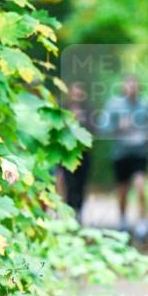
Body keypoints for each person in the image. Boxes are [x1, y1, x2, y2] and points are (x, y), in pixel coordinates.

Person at [100, 74, 148, 243]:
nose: (131, 88)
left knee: (140, 188)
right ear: (123, 87)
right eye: (128, 85)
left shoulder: (146, 104)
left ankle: (142, 224)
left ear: (139, 87)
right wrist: (117, 125)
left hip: (140, 153)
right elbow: (103, 126)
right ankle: (123, 221)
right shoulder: (114, 104)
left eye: (134, 85)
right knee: (123, 191)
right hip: (121, 154)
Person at [56, 81, 92, 223]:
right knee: (69, 183)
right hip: (67, 154)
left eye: (80, 93)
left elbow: (93, 131)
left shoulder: (89, 111)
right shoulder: (62, 110)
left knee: (81, 184)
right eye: (75, 92)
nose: (77, 95)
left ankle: (79, 212)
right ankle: (70, 213)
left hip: (84, 154)